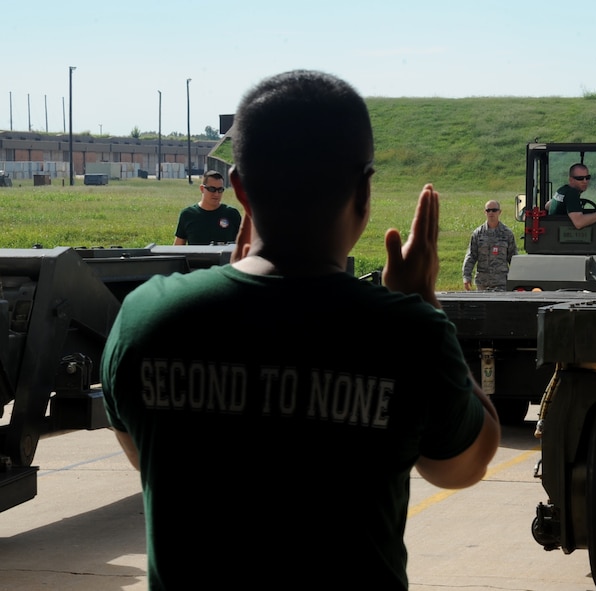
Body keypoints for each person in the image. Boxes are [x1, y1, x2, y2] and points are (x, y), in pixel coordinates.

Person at [100, 69, 500, 590]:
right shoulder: (405, 334)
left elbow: (149, 458)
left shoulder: (147, 320)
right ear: (363, 191)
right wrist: (422, 301)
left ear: (239, 189)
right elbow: (461, 466)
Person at [462, 199, 518, 291]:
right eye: (488, 210)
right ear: (485, 212)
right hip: (482, 283)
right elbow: (471, 256)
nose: (491, 213)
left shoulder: (507, 234)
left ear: (499, 212)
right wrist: (466, 277)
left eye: (494, 210)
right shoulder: (478, 234)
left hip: (501, 283)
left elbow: (513, 258)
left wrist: (516, 279)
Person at [173, 170, 242, 244]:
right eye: (212, 189)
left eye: (220, 190)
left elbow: (246, 243)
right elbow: (177, 248)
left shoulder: (231, 214)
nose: (216, 194)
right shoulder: (188, 215)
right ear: (202, 189)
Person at [547, 163, 596, 229]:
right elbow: (579, 223)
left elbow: (547, 205)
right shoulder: (572, 193)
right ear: (571, 180)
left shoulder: (563, 189)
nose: (585, 181)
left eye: (587, 178)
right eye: (580, 178)